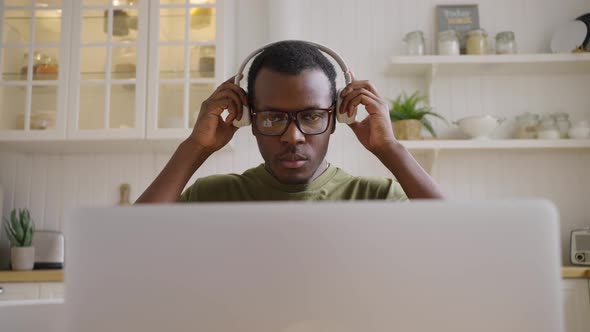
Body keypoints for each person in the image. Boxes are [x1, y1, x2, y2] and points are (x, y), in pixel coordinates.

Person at [136, 41, 444, 203]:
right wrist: (195, 147)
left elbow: (457, 243)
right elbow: (130, 246)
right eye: (273, 118)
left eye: (311, 116)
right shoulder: (212, 196)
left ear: (339, 116)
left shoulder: (375, 198)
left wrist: (390, 148)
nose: (293, 137)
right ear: (248, 119)